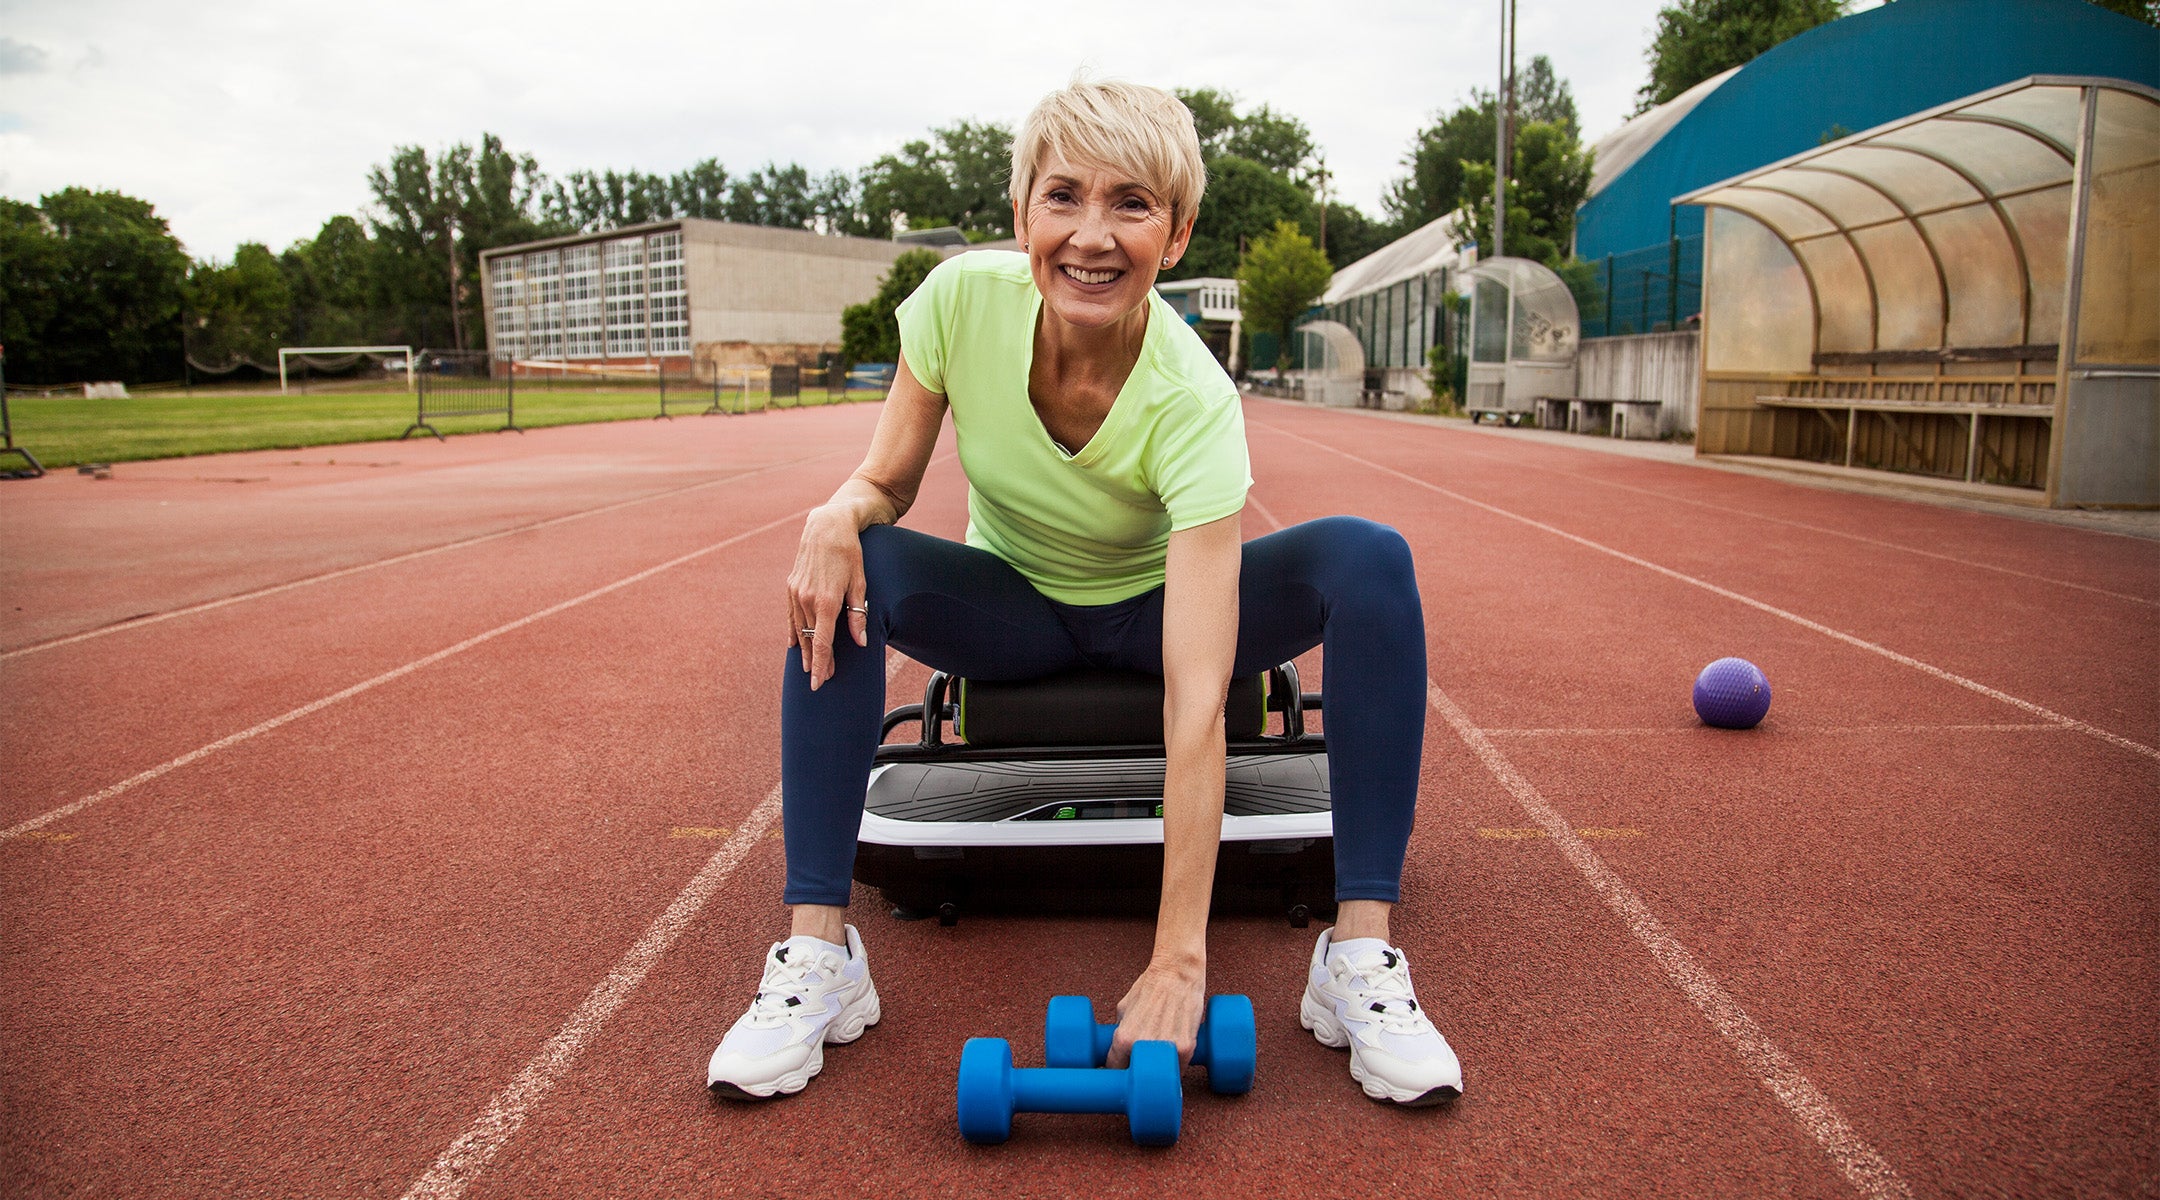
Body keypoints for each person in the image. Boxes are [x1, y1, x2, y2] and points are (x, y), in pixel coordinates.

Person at [705, 76, 1463, 1107]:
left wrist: (1179, 961)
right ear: (1021, 215)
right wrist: (836, 514)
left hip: (1157, 615)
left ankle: (1359, 957)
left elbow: (1196, 705)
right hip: (1011, 614)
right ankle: (818, 959)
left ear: (1178, 233)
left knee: (1370, 558)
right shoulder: (958, 304)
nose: (1092, 236)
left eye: (1132, 204)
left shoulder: (1192, 401)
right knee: (859, 564)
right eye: (1063, 197)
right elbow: (887, 482)